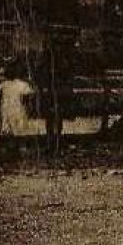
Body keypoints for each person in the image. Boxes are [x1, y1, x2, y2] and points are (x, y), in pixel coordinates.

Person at [41, 31, 77, 160]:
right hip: (58, 89)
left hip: (54, 89)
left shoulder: (50, 57)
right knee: (56, 117)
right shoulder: (63, 58)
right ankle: (55, 142)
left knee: (52, 117)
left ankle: (52, 142)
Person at [0, 57, 35, 161]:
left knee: (9, 129)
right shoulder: (22, 85)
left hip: (7, 109)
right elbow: (29, 95)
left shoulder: (4, 84)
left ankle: (11, 148)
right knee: (19, 129)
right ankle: (19, 148)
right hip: (17, 108)